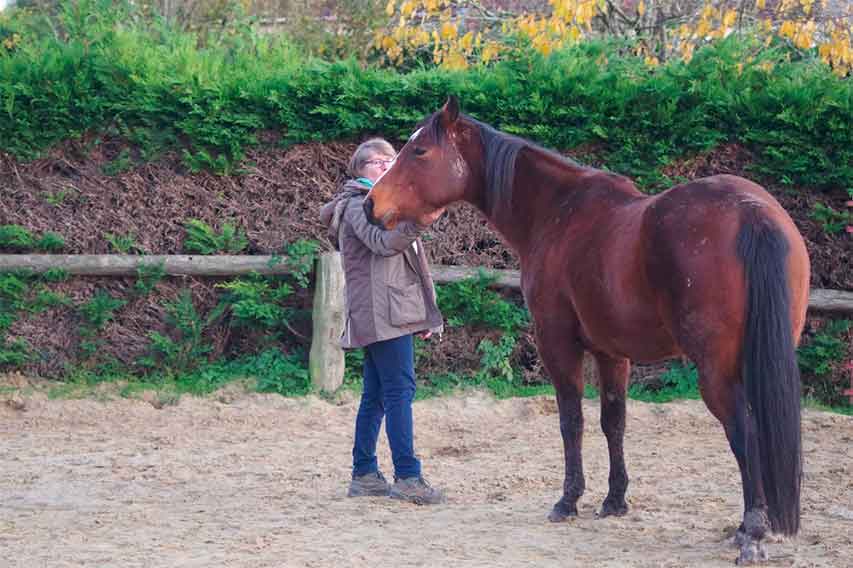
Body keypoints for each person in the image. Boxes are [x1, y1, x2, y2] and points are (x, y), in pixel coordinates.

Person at [320, 138, 446, 505]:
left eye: (390, 160)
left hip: (390, 312)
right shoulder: (359, 202)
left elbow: (413, 265)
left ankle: (365, 475)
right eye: (377, 161)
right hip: (382, 314)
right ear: (360, 169)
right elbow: (382, 244)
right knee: (399, 393)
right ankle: (407, 476)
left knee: (376, 396)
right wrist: (418, 224)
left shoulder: (383, 200)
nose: (386, 165)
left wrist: (425, 313)